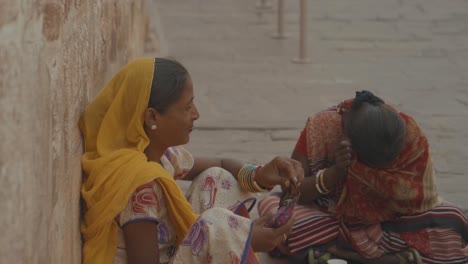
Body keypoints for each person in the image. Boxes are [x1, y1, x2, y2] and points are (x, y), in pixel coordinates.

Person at [79, 57, 304, 264]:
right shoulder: (139, 185)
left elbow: (222, 164)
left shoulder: (160, 156)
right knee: (216, 227)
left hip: (172, 250)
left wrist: (261, 174)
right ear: (152, 117)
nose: (196, 114)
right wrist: (242, 238)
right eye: (186, 107)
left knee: (217, 178)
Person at [258, 91, 468, 264]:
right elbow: (291, 192)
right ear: (348, 141)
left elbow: (419, 199)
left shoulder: (402, 133)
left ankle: (336, 255)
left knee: (453, 217)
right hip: (327, 215)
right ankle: (380, 258)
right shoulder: (321, 128)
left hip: (390, 220)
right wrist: (334, 173)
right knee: (274, 211)